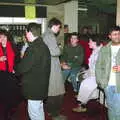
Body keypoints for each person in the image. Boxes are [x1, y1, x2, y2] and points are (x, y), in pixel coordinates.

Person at [16, 22, 51, 120]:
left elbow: (23, 67)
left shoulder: (32, 49)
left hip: (33, 87)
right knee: (39, 109)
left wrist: (15, 69)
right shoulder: (44, 46)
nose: (25, 35)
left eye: (26, 33)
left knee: (34, 112)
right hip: (41, 85)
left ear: (29, 33)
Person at [42, 18, 66, 120]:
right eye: (59, 27)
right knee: (57, 91)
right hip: (52, 67)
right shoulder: (50, 35)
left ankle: (50, 111)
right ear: (55, 25)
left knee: (52, 90)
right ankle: (55, 114)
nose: (59, 29)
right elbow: (55, 52)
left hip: (49, 64)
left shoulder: (44, 34)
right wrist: (60, 47)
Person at [72, 35, 103, 112]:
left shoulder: (100, 52)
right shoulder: (95, 50)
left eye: (90, 42)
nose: (88, 43)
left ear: (95, 42)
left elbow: (99, 69)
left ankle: (82, 105)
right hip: (93, 72)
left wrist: (89, 74)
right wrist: (86, 71)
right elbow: (92, 66)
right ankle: (84, 96)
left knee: (85, 83)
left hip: (98, 76)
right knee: (79, 75)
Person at [95, 26, 120, 120]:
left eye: (119, 34)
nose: (117, 36)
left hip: (119, 85)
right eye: (115, 34)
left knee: (118, 110)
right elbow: (98, 67)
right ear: (110, 36)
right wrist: (101, 82)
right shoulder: (104, 49)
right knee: (111, 107)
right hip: (107, 84)